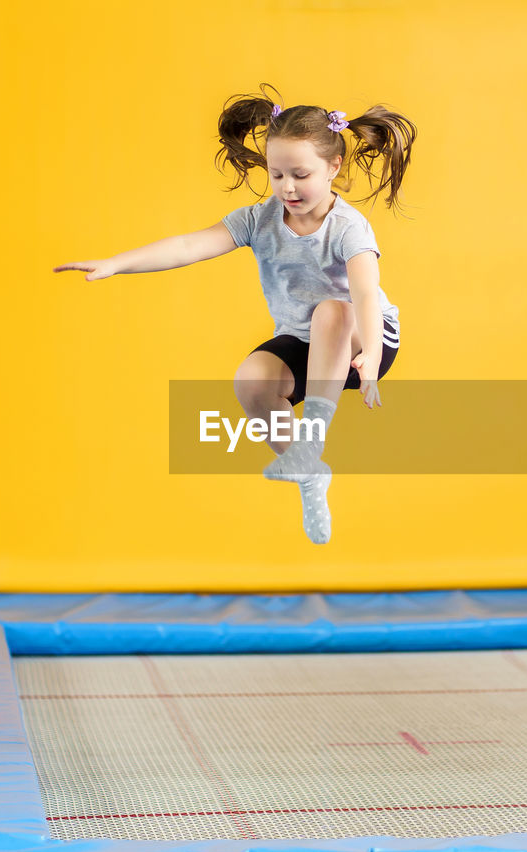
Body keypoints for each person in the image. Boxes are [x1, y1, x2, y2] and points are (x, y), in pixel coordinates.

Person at [54, 84, 417, 545]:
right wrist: (117, 263)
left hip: (366, 337)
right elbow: (189, 245)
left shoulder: (346, 226)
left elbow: (364, 293)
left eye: (300, 175)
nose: (288, 187)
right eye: (277, 173)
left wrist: (370, 355)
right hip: (303, 341)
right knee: (250, 381)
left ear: (333, 167)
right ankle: (310, 475)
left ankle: (313, 437)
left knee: (331, 310)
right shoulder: (259, 220)